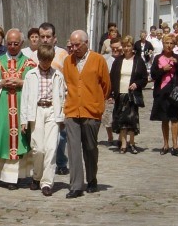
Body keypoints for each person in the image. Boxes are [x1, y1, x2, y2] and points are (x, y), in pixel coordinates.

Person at [0, 28, 36, 190]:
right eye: (10, 43)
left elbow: (36, 84)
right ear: (5, 43)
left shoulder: (29, 63)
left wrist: (22, 83)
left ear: (21, 43)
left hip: (21, 109)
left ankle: (19, 176)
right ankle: (7, 178)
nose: (13, 46)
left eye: (16, 43)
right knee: (4, 139)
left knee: (21, 138)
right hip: (2, 109)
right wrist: (0, 83)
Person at [62, 30, 111, 198]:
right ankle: (76, 185)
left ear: (86, 43)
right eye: (72, 45)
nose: (74, 48)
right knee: (73, 148)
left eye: (77, 45)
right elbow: (67, 83)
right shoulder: (68, 61)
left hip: (91, 111)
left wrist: (96, 103)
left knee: (90, 147)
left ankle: (92, 178)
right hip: (72, 110)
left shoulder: (98, 60)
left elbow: (106, 85)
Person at [20, 44, 66, 196]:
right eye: (43, 60)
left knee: (51, 148)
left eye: (48, 60)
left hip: (52, 111)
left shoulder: (58, 75)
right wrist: (24, 120)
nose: (46, 63)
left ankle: (47, 182)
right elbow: (25, 98)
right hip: (37, 111)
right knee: (39, 149)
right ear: (38, 59)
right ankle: (37, 176)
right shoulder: (31, 75)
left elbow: (63, 96)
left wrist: (62, 116)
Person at [38, 22, 70, 175]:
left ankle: (61, 162)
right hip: (40, 102)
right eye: (42, 36)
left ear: (54, 38)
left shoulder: (62, 54)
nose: (45, 39)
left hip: (58, 99)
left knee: (60, 136)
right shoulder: (33, 54)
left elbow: (69, 75)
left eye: (48, 36)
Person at [150, 33, 178, 156]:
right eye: (167, 43)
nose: (169, 45)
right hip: (162, 92)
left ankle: (175, 145)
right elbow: (153, 75)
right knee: (164, 119)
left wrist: (177, 63)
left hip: (174, 92)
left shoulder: (177, 57)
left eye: (171, 43)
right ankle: (165, 144)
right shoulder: (158, 58)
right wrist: (163, 70)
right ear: (163, 44)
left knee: (175, 119)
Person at [110, 36, 148, 154]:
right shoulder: (118, 61)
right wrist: (111, 93)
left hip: (132, 94)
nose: (127, 48)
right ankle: (123, 143)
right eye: (125, 46)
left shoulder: (138, 60)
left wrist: (136, 84)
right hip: (120, 94)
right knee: (121, 119)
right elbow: (112, 77)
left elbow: (144, 78)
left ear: (133, 47)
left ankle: (132, 142)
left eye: (129, 46)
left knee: (131, 119)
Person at [103, 37, 123, 147]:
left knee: (121, 115)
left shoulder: (125, 59)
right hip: (109, 91)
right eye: (113, 48)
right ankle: (110, 135)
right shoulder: (105, 60)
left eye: (118, 48)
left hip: (122, 90)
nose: (116, 50)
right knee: (107, 116)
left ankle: (120, 137)